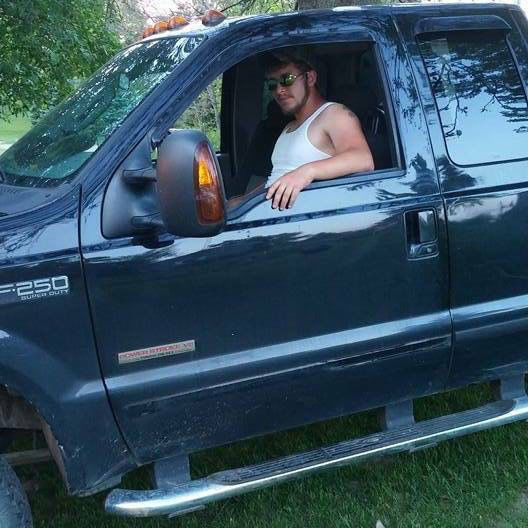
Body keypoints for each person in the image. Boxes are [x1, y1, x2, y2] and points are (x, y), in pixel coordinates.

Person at [263, 49, 374, 210]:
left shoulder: (334, 114)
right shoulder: (289, 127)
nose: (279, 90)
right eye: (272, 84)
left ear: (310, 78)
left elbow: (363, 159)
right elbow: (277, 178)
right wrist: (244, 200)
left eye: (287, 79)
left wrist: (306, 172)